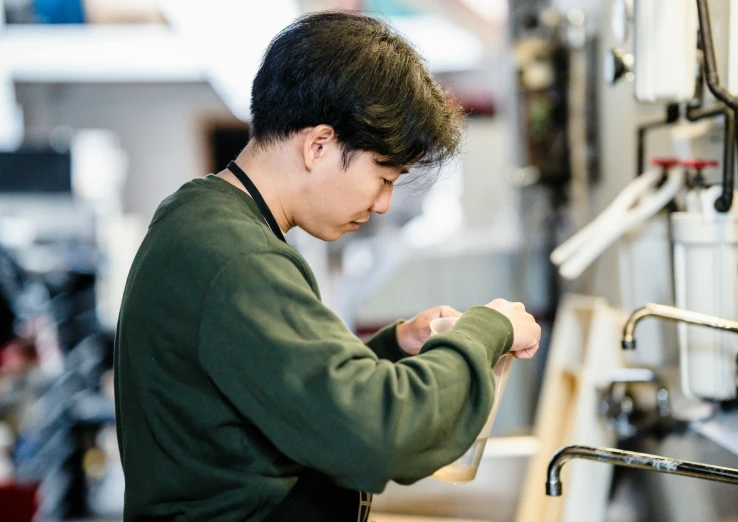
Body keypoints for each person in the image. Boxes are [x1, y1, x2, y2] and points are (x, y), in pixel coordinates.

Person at [114, 10, 541, 522]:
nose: (383, 204)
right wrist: (484, 330)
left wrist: (392, 348)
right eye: (383, 177)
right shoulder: (237, 259)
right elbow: (380, 435)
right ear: (319, 145)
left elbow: (278, 390)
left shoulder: (203, 220)